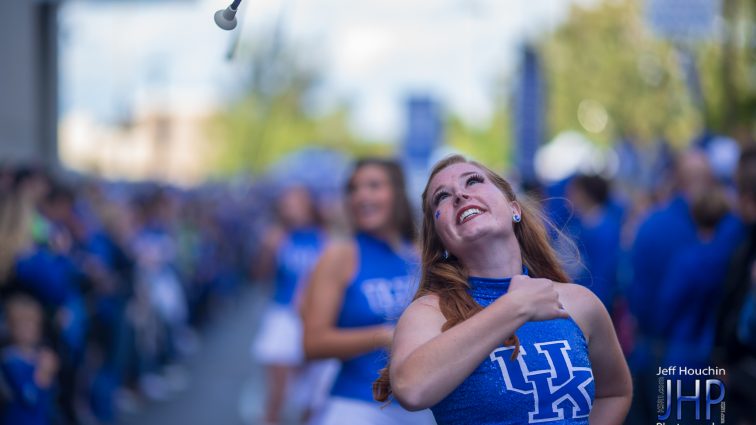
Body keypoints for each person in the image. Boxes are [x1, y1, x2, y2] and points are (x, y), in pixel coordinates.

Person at [374, 155, 632, 424]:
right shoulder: (429, 313)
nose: (460, 194)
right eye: (442, 197)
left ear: (514, 209)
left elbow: (614, 393)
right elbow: (411, 390)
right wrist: (515, 306)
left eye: (473, 181)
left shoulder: (578, 302)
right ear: (442, 241)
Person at [302, 158, 435, 425]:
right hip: (358, 404)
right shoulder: (341, 255)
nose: (362, 196)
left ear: (397, 192)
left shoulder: (423, 254)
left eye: (374, 186)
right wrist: (386, 336)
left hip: (424, 404)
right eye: (354, 189)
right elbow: (312, 343)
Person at [252, 185, 328, 424]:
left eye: (296, 201)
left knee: (311, 396)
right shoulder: (278, 236)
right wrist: (268, 250)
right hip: (282, 316)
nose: (290, 207)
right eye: (286, 203)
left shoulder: (325, 238)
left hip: (314, 319)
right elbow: (259, 276)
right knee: (279, 392)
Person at [0, 294, 59, 425]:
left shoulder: (39, 356)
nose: (28, 330)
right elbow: (29, 396)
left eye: (33, 324)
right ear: (11, 327)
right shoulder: (10, 360)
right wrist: (44, 372)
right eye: (22, 324)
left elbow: (51, 395)